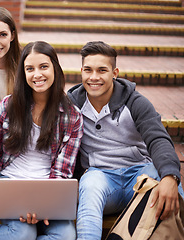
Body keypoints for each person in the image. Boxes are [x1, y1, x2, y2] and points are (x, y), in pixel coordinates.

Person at [0, 41, 84, 240]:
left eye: (43, 66)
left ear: (55, 69)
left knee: (66, 236)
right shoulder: (8, 106)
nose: (37, 74)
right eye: (30, 69)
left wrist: (44, 205)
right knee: (23, 234)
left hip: (49, 190)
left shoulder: (72, 115)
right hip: (11, 185)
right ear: (23, 73)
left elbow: (63, 170)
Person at [67, 41, 184, 240]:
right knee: (89, 184)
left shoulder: (135, 102)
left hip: (139, 174)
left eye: (102, 70)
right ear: (81, 72)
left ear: (115, 73)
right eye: (88, 70)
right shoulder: (72, 105)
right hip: (101, 178)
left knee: (165, 181)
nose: (94, 77)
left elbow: (158, 138)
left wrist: (170, 176)